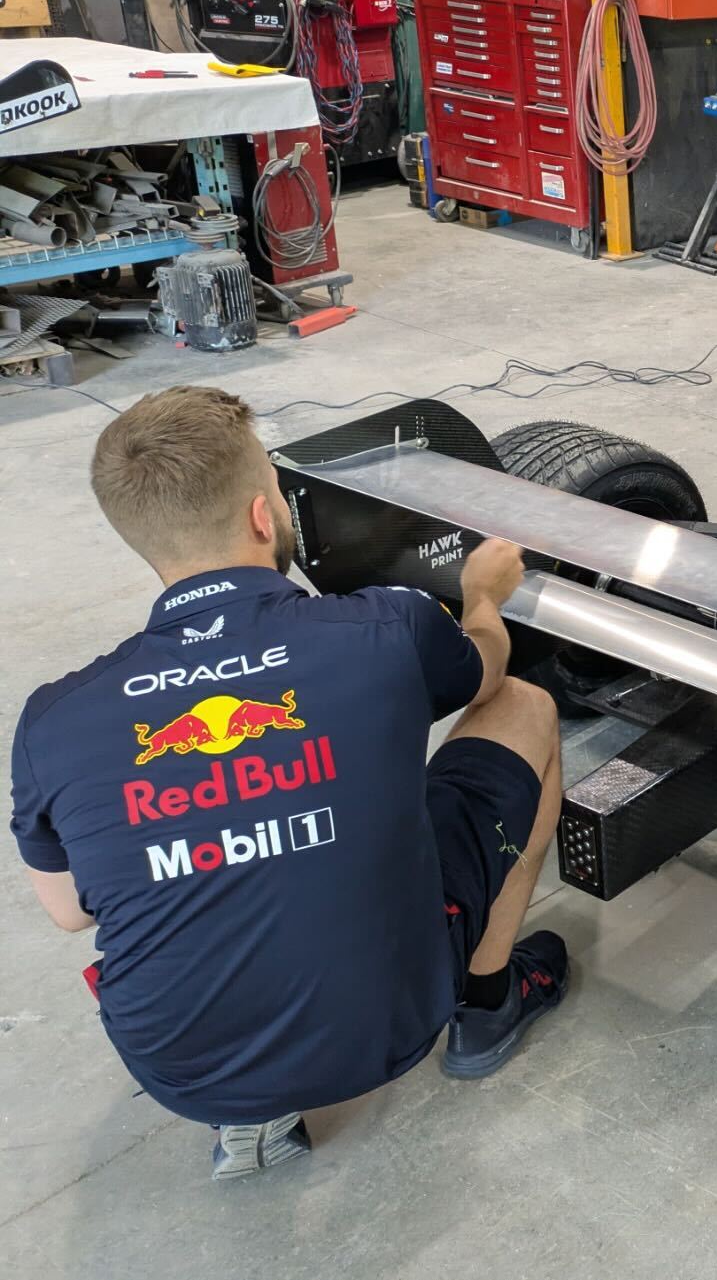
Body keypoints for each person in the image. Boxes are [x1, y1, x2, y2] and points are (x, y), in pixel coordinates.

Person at [9, 386, 567, 1178]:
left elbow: (70, 911)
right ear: (262, 516)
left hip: (183, 1069)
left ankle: (250, 1105)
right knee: (526, 709)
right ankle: (486, 1002)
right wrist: (483, 594)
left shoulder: (53, 719)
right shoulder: (385, 627)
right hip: (389, 1024)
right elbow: (486, 673)